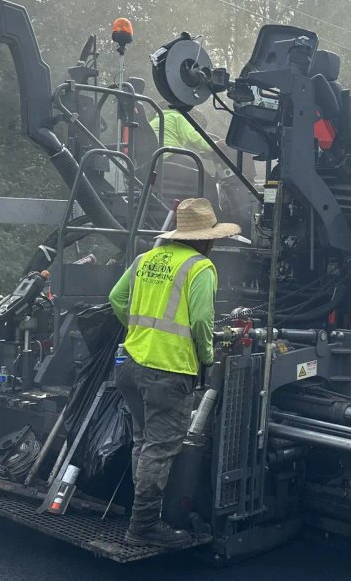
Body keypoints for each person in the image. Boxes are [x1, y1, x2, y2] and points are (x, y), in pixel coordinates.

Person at [109, 198, 239, 547]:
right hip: (169, 372)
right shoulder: (200, 267)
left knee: (142, 442)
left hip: (131, 365)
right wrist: (207, 357)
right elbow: (201, 321)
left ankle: (142, 512)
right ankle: (143, 527)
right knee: (159, 449)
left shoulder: (145, 258)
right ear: (206, 238)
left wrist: (138, 332)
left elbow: (116, 298)